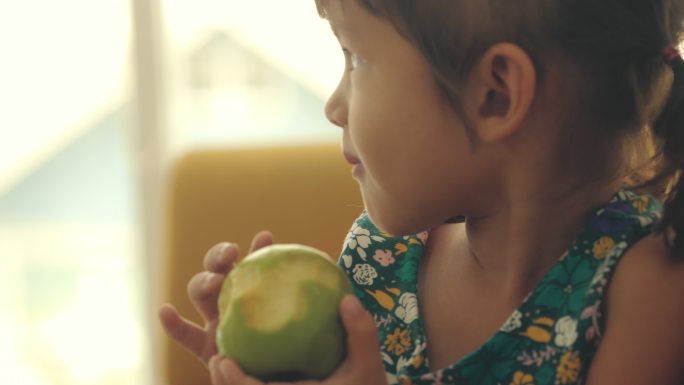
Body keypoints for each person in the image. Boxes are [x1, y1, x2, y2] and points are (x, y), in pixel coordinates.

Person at [158, 0, 684, 384]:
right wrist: (268, 367)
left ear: (495, 95)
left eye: (356, 58)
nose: (334, 105)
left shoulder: (647, 292)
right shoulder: (376, 261)